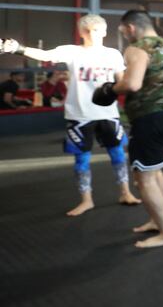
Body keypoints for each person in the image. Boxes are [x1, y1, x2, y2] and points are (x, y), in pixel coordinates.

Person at [1, 15, 140, 215]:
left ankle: (125, 193)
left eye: (99, 30)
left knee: (117, 153)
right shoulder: (72, 52)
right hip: (80, 114)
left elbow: (122, 82)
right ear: (82, 32)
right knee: (81, 158)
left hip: (107, 113)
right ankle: (86, 200)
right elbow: (45, 55)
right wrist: (17, 48)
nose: (96, 34)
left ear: (105, 31)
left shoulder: (113, 54)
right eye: (91, 30)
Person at [92, 10, 163, 248]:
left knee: (143, 178)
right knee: (155, 171)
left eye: (124, 32)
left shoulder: (137, 48)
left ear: (131, 28)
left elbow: (133, 83)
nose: (125, 36)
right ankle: (156, 221)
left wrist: (110, 89)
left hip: (151, 119)